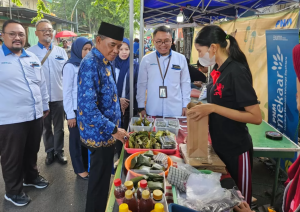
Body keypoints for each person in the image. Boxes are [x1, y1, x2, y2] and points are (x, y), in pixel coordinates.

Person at [187, 25, 262, 205]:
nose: (199, 56)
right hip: (219, 147)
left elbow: (255, 117)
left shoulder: (235, 72)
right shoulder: (218, 71)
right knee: (225, 200)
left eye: (200, 51)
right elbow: (220, 105)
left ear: (213, 47)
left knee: (240, 202)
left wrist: (213, 108)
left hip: (236, 149)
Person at [77, 22, 130, 212]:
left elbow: (104, 94)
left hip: (108, 133)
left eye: (119, 45)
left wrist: (118, 101)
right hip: (100, 135)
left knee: (103, 180)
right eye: (112, 45)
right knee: (98, 184)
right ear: (98, 40)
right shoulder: (91, 63)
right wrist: (114, 130)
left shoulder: (105, 61)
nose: (116, 50)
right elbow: (89, 108)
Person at [0, 19, 49, 207]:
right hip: (10, 119)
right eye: (12, 34)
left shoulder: (31, 58)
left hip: (35, 115)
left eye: (21, 34)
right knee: (12, 156)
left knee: (32, 150)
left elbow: (42, 84)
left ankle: (31, 177)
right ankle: (13, 191)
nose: (17, 38)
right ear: (3, 35)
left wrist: (44, 105)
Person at [27, 19, 68, 166]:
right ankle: (49, 151)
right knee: (45, 127)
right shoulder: (29, 53)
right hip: (40, 99)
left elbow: (66, 74)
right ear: (36, 33)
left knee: (59, 127)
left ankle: (59, 151)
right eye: (44, 30)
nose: (48, 32)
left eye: (50, 29)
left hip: (59, 95)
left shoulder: (61, 51)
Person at [137, 26, 191, 117]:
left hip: (175, 111)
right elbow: (141, 84)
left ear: (171, 41)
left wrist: (186, 105)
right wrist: (141, 107)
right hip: (153, 109)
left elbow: (185, 83)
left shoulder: (180, 59)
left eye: (166, 41)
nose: (163, 44)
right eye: (159, 41)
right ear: (154, 41)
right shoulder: (146, 60)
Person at [63, 37, 92, 180]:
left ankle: (86, 166)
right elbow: (66, 92)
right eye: (84, 49)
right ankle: (79, 169)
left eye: (89, 49)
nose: (87, 52)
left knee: (85, 139)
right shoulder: (70, 66)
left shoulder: (88, 64)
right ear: (77, 49)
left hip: (86, 109)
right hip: (74, 110)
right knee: (75, 140)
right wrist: (70, 115)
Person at [114, 38, 139, 159]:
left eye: (127, 49)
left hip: (130, 105)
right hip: (114, 104)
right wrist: (118, 100)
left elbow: (136, 84)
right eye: (121, 49)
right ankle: (118, 157)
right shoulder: (112, 64)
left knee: (128, 132)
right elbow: (110, 85)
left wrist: (126, 101)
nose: (124, 52)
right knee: (117, 132)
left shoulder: (134, 65)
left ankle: (127, 157)